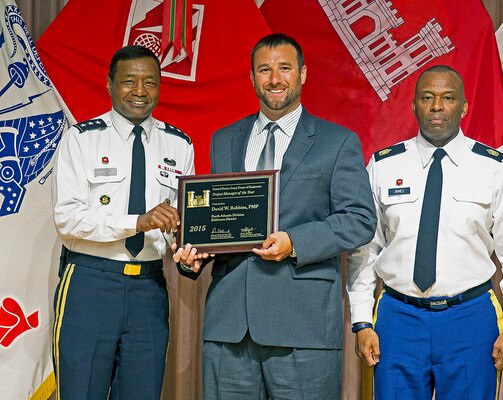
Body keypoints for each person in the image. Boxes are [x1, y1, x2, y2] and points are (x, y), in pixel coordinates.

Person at [172, 33, 376, 399]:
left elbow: (360, 219)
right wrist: (192, 258)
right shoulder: (224, 139)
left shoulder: (337, 141)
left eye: (285, 68)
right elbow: (217, 220)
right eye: (264, 70)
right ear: (252, 78)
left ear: (303, 74)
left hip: (303, 326)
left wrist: (295, 241)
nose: (275, 78)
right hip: (229, 327)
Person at [347, 64, 503, 399]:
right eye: (428, 97)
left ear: (463, 106)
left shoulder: (493, 168)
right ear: (414, 105)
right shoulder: (383, 165)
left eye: (448, 98)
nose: (437, 106)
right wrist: (362, 321)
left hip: (470, 318)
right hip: (398, 316)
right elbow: (364, 250)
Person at [51, 45, 195, 399]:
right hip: (89, 283)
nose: (141, 91)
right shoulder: (81, 139)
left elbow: (182, 223)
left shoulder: (180, 145)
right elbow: (67, 219)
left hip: (149, 290)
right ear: (110, 84)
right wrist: (138, 222)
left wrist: (187, 252)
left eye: (151, 82)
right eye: (129, 81)